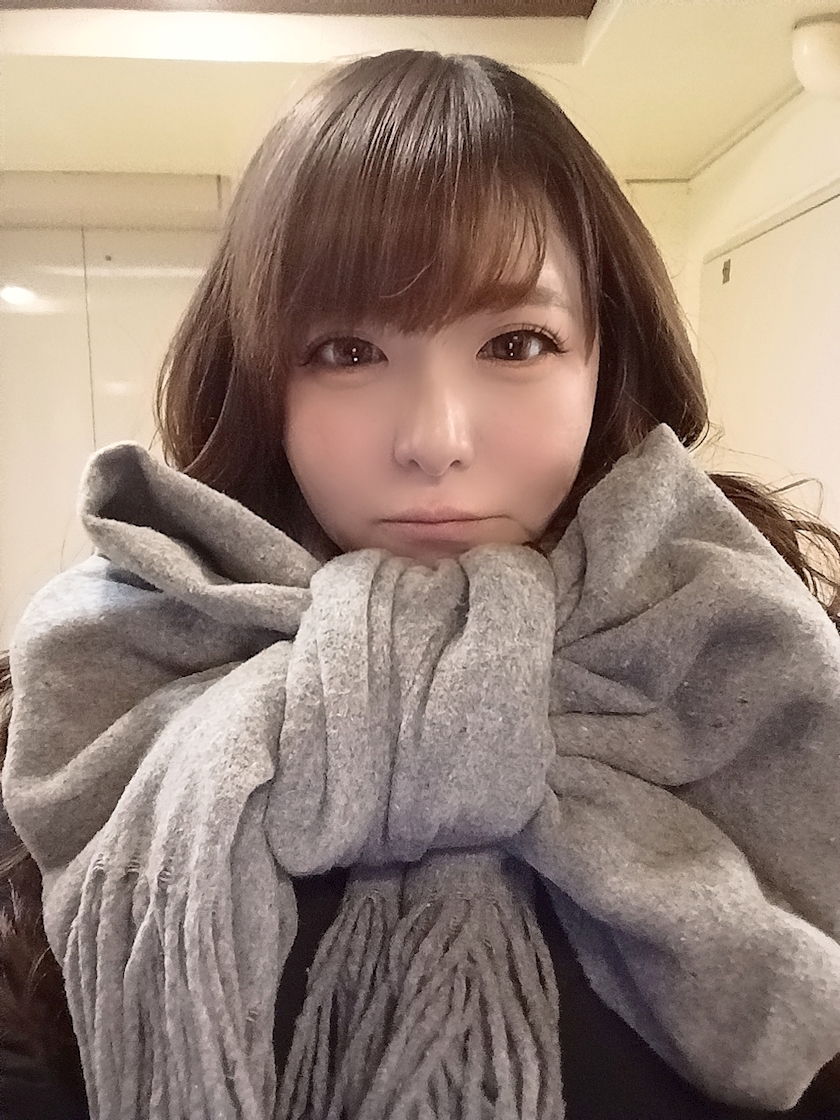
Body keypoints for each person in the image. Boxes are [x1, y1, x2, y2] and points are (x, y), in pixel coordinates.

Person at [2, 49, 840, 1120]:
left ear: (606, 359)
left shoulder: (752, 660)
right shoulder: (108, 688)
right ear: (258, 375)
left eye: (517, 342)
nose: (436, 439)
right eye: (347, 351)